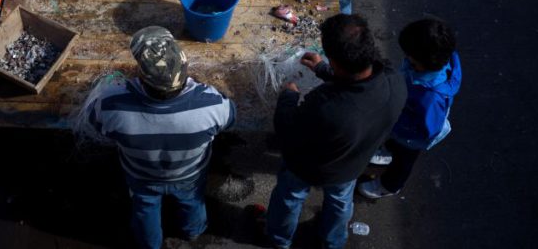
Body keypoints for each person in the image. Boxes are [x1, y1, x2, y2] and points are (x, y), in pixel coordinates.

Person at [264, 14, 406, 249]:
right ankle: (333, 242)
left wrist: (288, 96)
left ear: (336, 62)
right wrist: (323, 69)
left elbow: (287, 129)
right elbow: (358, 83)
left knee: (290, 197)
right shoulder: (395, 81)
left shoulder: (327, 106)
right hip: (353, 165)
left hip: (309, 167)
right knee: (341, 202)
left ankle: (279, 238)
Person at [86, 26, 235, 249]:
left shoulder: (111, 106)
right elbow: (231, 118)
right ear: (184, 69)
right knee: (192, 201)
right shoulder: (212, 104)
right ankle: (193, 231)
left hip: (141, 175)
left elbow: (96, 124)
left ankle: (150, 243)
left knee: (145, 207)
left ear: (142, 79)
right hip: (189, 174)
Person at [358, 18, 462, 198]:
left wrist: (395, 120)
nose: (406, 58)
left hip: (410, 138)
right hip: (403, 119)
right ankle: (387, 149)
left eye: (410, 57)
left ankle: (390, 186)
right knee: (392, 143)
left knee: (402, 162)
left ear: (424, 61)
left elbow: (426, 130)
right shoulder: (432, 62)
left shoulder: (431, 99)